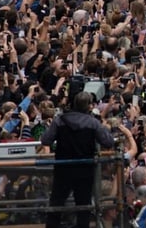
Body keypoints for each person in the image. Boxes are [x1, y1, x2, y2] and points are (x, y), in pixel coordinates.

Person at [41, 92, 115, 228]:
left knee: (56, 204)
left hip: (63, 169)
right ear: (89, 107)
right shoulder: (93, 123)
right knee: (83, 207)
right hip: (84, 170)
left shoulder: (59, 120)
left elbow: (45, 140)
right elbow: (108, 141)